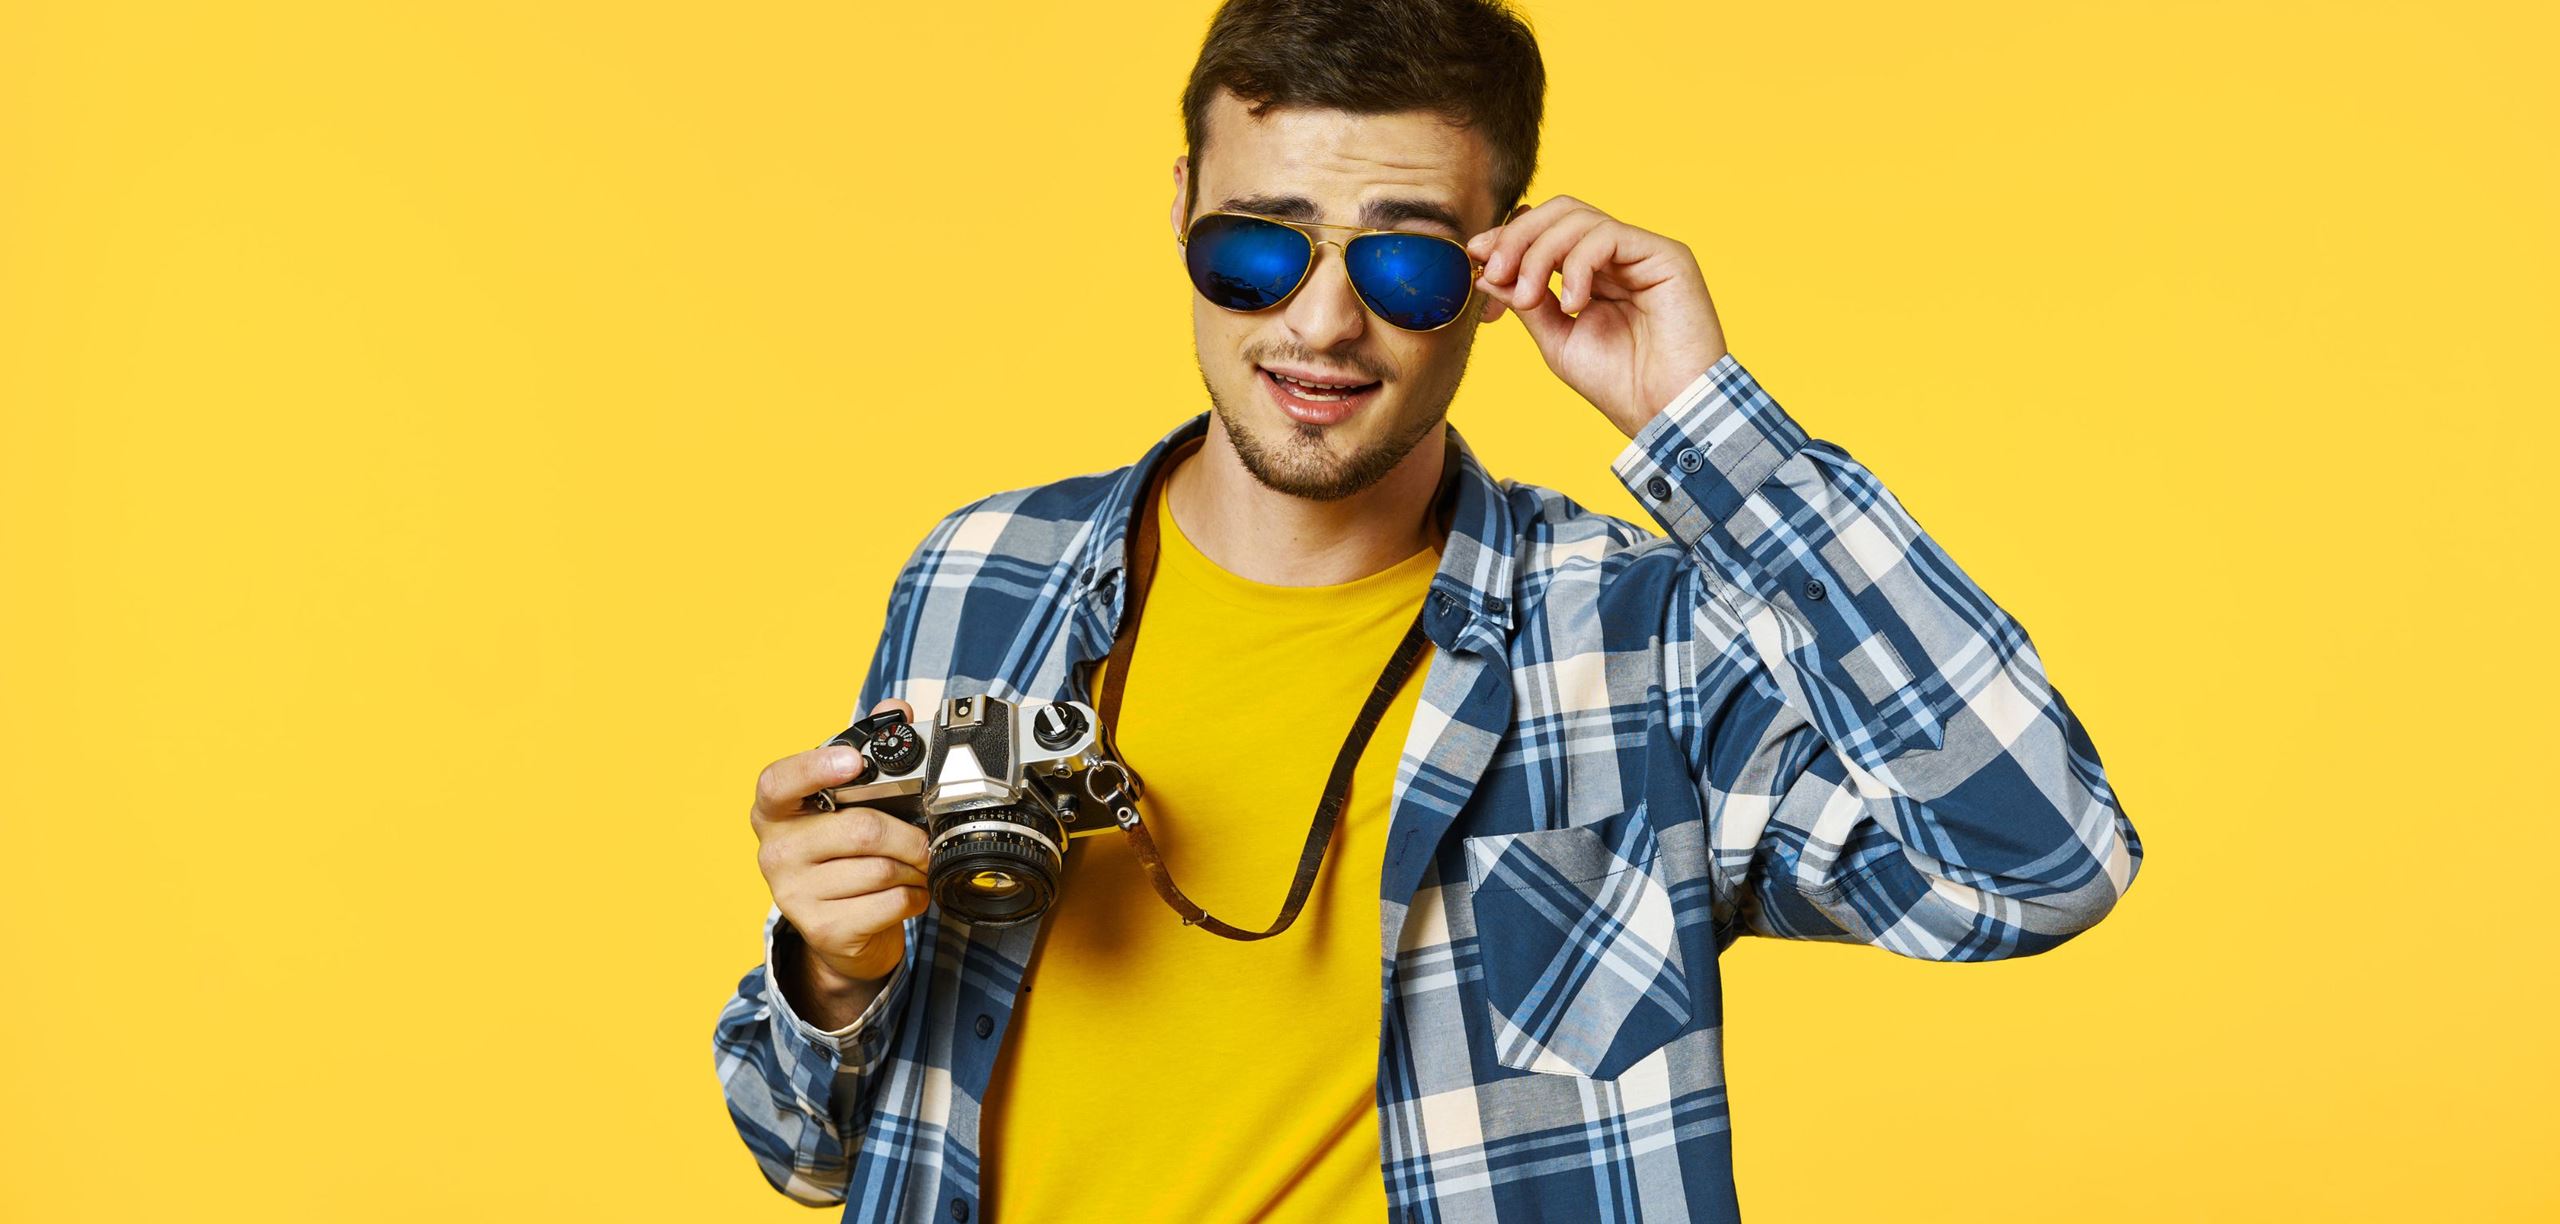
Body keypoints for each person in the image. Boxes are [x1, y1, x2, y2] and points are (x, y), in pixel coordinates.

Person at [713, 1, 2143, 1219]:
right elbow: (805, 1148)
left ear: (1501, 265)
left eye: (1404, 262)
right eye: (1258, 246)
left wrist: (1711, 429)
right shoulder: (982, 577)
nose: (1323, 322)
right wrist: (834, 973)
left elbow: (2041, 864)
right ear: (1178, 209)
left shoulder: (1632, 639)